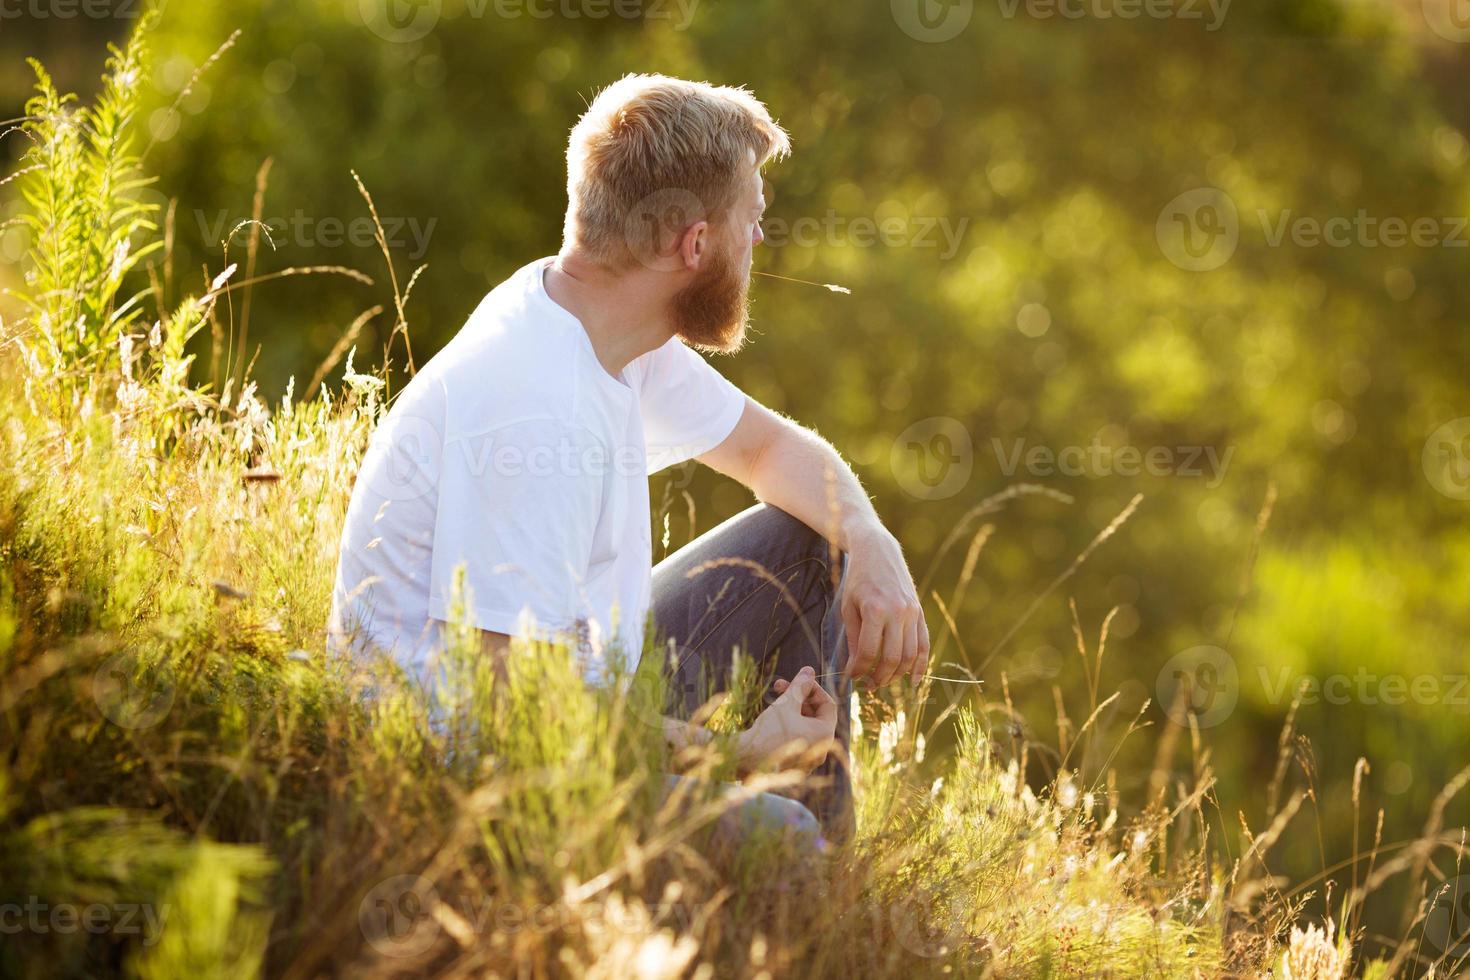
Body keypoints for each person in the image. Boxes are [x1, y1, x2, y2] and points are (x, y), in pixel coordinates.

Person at [328, 73, 930, 842]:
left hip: (578, 697)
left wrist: (875, 546)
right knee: (782, 842)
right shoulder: (535, 408)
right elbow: (519, 720)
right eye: (752, 217)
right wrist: (740, 753)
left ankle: (825, 869)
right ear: (695, 244)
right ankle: (806, 863)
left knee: (815, 537)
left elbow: (769, 448)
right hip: (475, 787)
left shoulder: (607, 326)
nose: (759, 240)